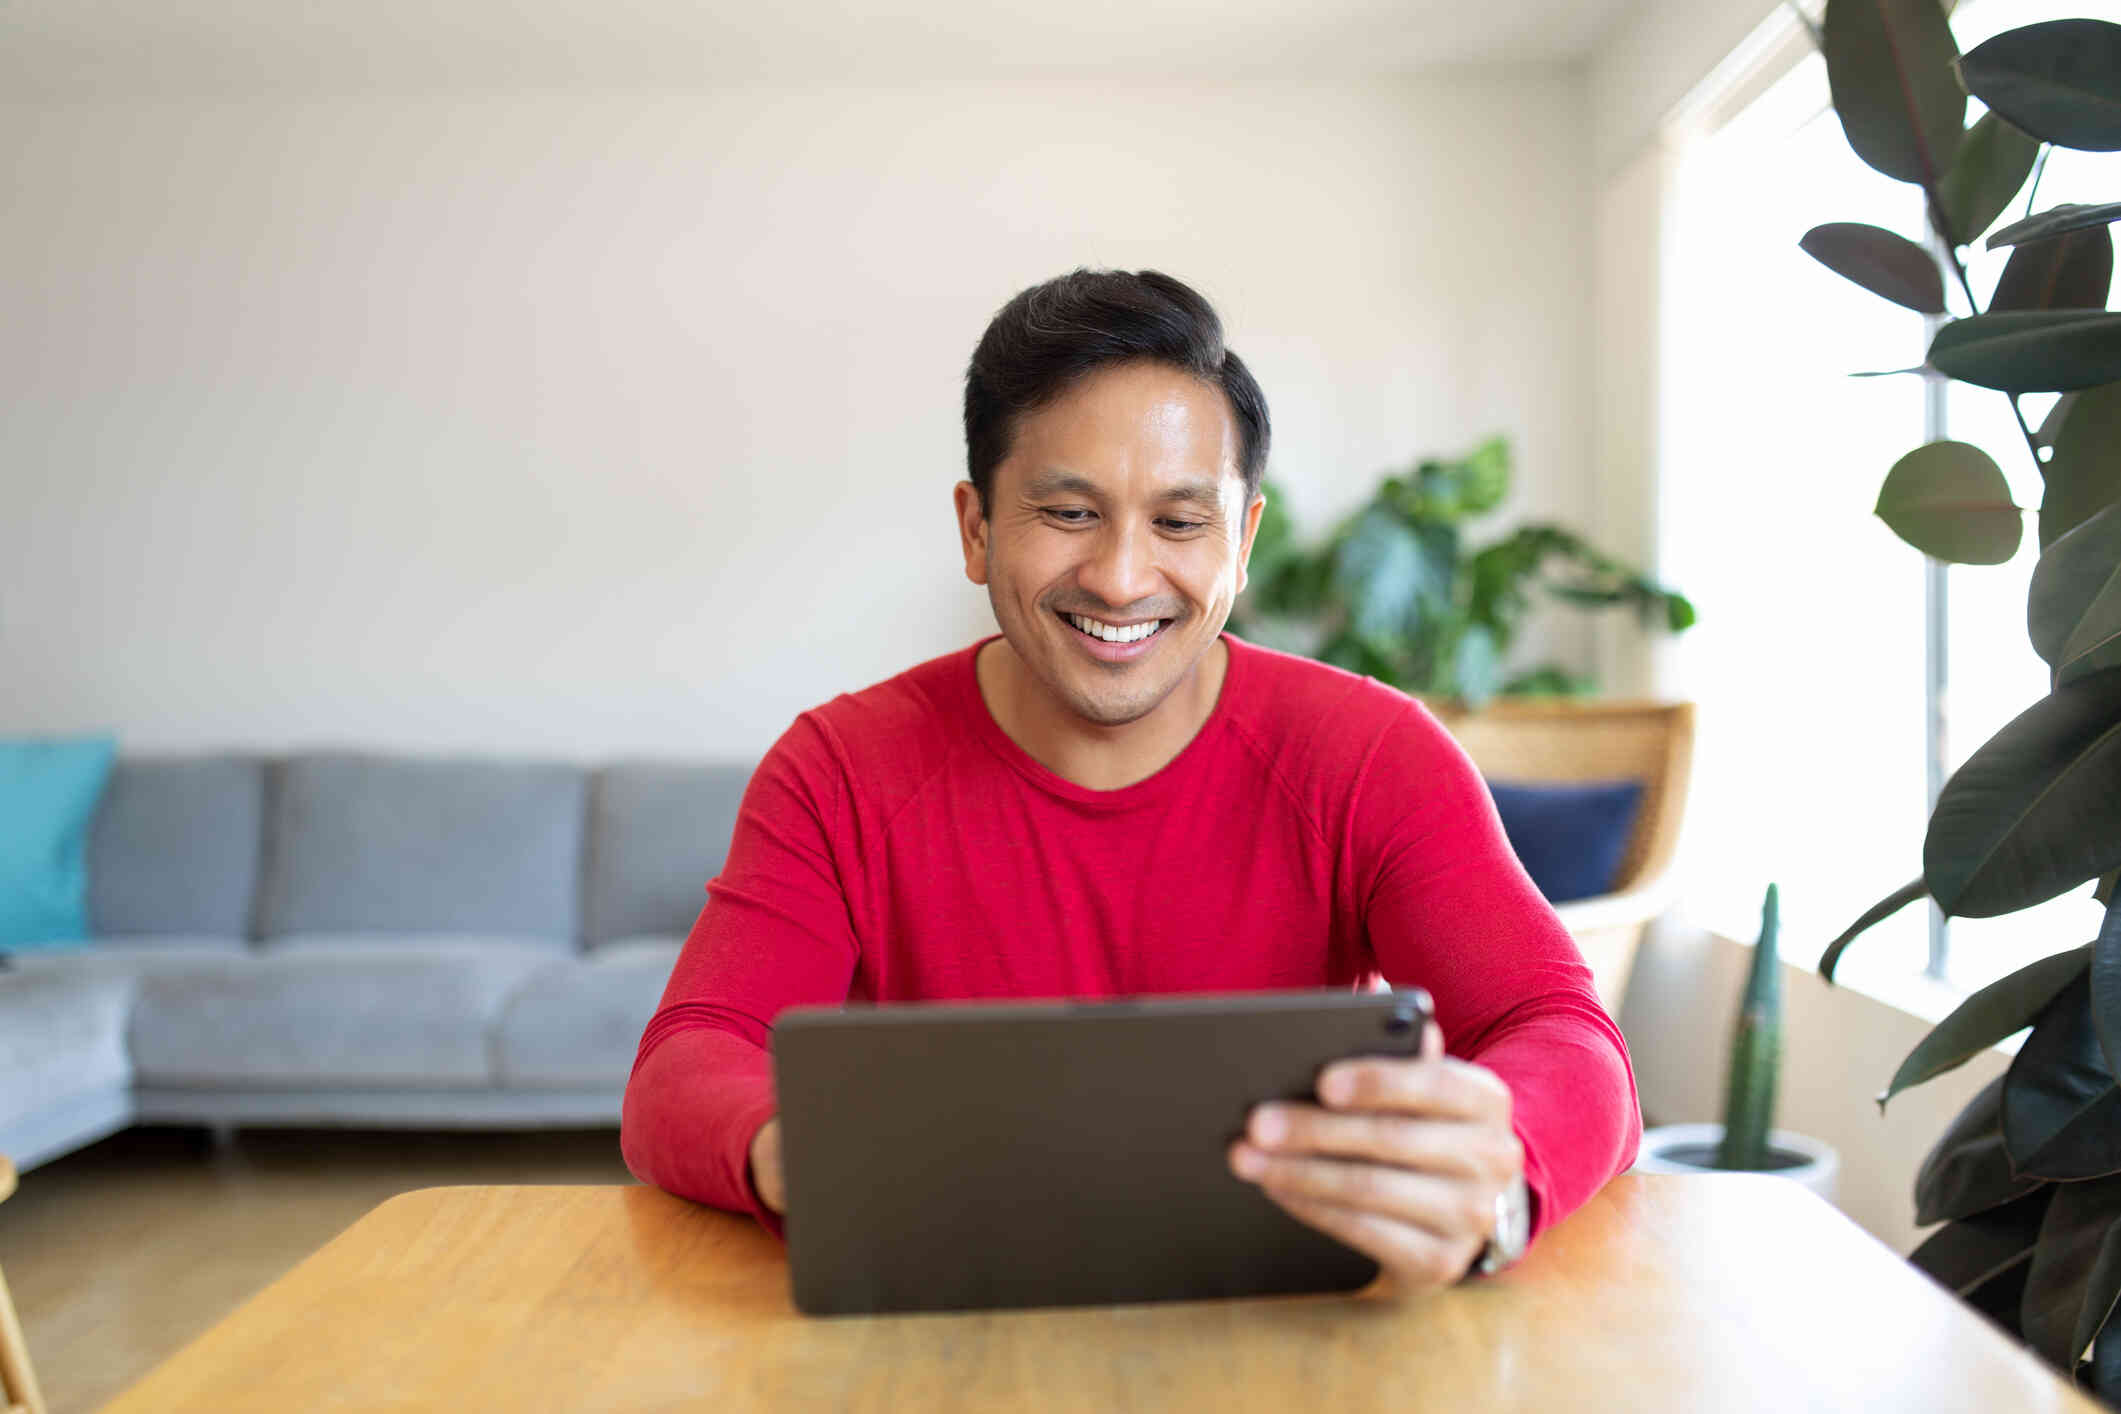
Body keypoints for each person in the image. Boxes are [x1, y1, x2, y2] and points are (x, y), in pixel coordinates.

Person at [621, 268, 1640, 1290]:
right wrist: (782, 1146)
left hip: (1288, 1318)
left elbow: (1564, 1036)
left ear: (1242, 544)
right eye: (1068, 512)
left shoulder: (1374, 754)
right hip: (949, 1311)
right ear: (976, 529)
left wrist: (1496, 1179)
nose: (1120, 576)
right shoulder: (838, 770)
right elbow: (691, 1057)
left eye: (1181, 523)